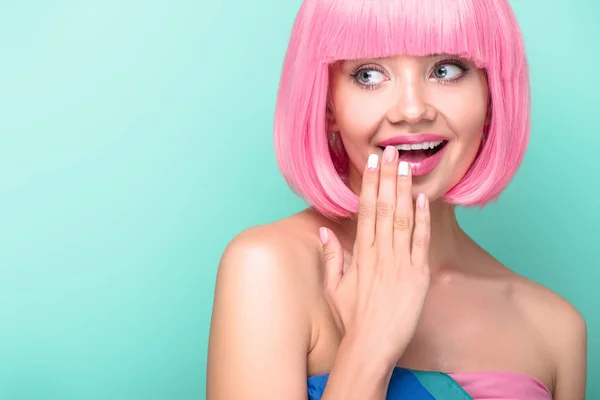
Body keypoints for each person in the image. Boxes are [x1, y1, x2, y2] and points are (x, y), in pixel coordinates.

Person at [206, 0, 587, 398]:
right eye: (369, 74)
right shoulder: (267, 269)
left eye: (446, 70)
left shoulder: (556, 331)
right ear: (328, 105)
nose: (411, 110)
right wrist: (369, 346)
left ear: (491, 96)